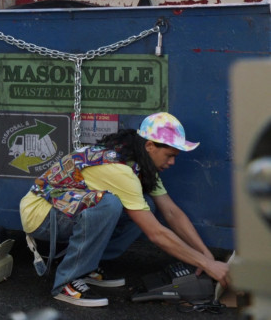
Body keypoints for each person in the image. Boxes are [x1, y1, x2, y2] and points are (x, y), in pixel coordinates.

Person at [19, 112, 230, 307]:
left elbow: (172, 212)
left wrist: (206, 255)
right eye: (169, 155)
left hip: (64, 210)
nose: (173, 162)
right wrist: (207, 264)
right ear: (150, 146)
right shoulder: (121, 171)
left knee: (147, 204)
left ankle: (88, 266)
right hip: (41, 215)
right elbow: (155, 233)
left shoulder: (140, 165)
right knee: (109, 204)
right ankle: (66, 282)